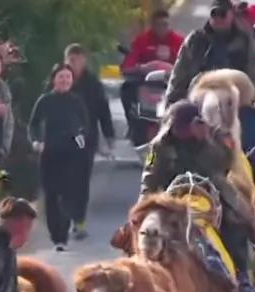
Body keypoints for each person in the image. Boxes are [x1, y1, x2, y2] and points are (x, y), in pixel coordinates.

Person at [141, 102, 255, 292]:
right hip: (173, 196)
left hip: (212, 192)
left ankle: (243, 275)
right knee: (146, 229)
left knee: (235, 225)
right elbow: (150, 175)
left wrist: (209, 142)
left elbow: (225, 165)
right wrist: (145, 201)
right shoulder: (160, 145)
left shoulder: (214, 137)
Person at [29, 63, 92, 251]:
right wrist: (36, 141)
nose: (64, 81)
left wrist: (81, 135)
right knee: (51, 196)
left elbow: (86, 125)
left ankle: (62, 237)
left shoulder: (77, 101)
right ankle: (55, 234)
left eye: (68, 77)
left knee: (67, 195)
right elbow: (33, 125)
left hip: (72, 156)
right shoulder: (45, 101)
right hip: (49, 154)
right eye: (61, 77)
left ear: (72, 81)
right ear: (54, 79)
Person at [166, 0, 255, 106]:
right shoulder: (195, 39)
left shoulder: (244, 42)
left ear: (231, 16)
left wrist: (251, 98)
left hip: (235, 102)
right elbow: (179, 72)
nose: (218, 18)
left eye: (222, 14)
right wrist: (171, 101)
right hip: (196, 100)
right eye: (214, 14)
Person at [64, 44, 115, 240]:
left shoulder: (92, 83)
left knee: (81, 182)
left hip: (86, 140)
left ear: (84, 60)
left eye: (77, 60)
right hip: (60, 140)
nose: (73, 64)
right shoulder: (58, 79)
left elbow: (103, 110)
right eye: (70, 60)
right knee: (64, 181)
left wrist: (109, 135)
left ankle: (78, 222)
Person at [121, 9, 184, 130]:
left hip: (172, 82)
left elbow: (189, 64)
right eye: (158, 25)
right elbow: (128, 65)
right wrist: (142, 68)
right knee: (126, 90)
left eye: (165, 24)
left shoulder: (180, 41)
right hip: (145, 82)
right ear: (152, 25)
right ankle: (132, 124)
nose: (162, 28)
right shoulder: (141, 40)